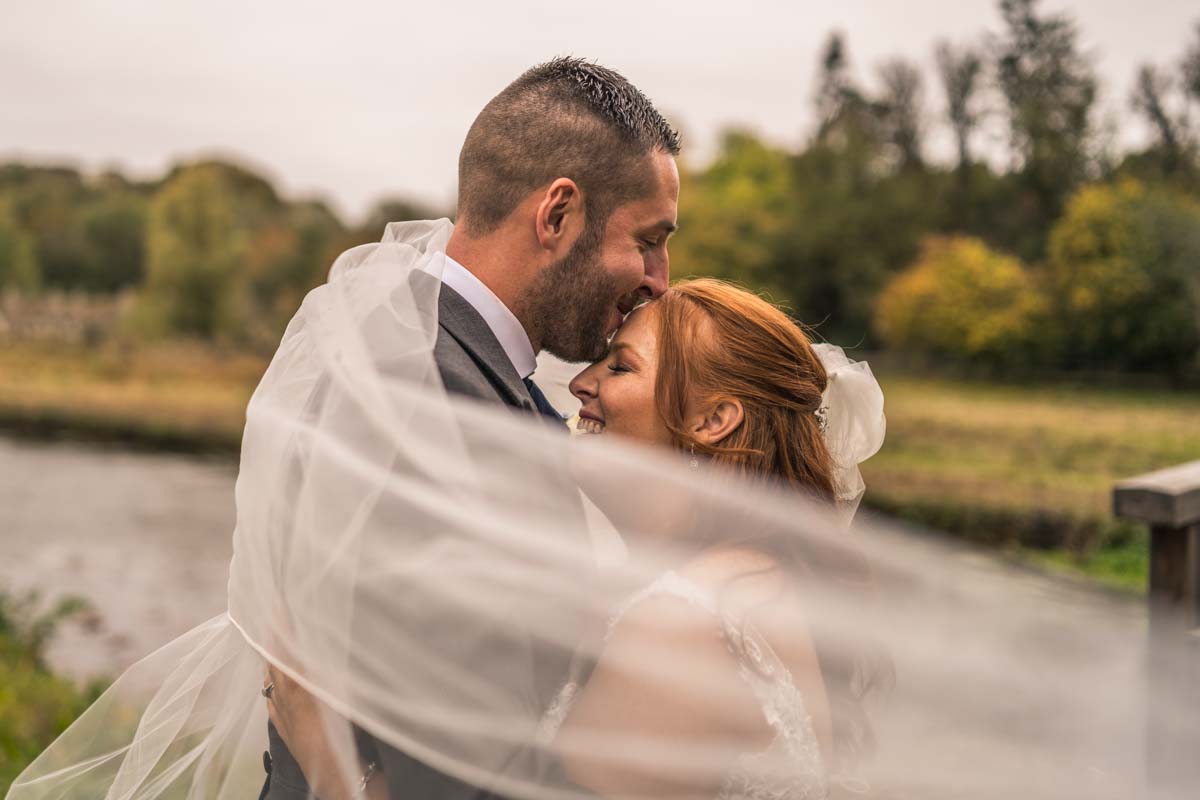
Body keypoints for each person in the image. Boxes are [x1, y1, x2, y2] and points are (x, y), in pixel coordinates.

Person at [262, 56, 681, 800]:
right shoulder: (427, 389)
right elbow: (449, 768)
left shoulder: (455, 363)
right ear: (557, 215)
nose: (660, 278)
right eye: (648, 239)